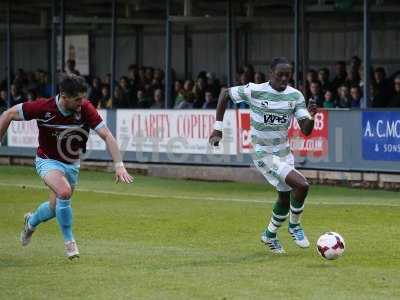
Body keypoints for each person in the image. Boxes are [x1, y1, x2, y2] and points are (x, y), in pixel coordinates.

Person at [0, 74, 133, 259]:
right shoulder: (42, 107)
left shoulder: (85, 108)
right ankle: (70, 243)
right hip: (47, 160)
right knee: (64, 192)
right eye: (77, 99)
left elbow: (107, 136)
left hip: (71, 164)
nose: (82, 102)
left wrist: (119, 165)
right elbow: (8, 114)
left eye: (82, 98)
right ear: (64, 96)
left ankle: (31, 221)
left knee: (55, 208)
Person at [209, 57, 317, 254]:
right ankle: (295, 226)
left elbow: (306, 130)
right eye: (280, 75)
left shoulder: (295, 96)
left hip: (284, 153)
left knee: (284, 198)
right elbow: (225, 94)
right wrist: (218, 129)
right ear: (270, 74)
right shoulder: (255, 90)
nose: (284, 79)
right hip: (263, 153)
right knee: (302, 185)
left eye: (288, 75)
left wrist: (311, 116)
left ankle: (269, 235)